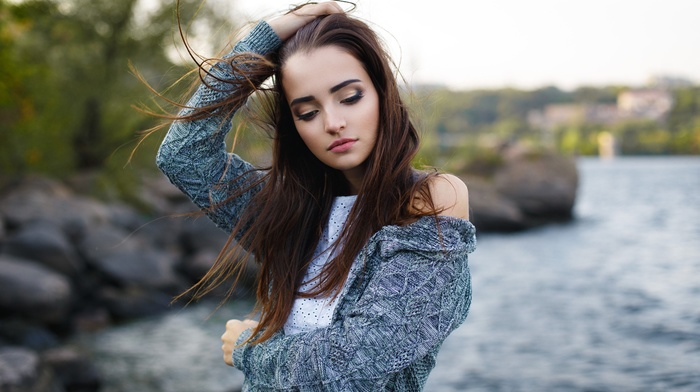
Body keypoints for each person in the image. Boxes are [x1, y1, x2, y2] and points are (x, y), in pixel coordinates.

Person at [156, 1, 476, 390]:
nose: (333, 123)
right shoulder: (285, 213)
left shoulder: (428, 199)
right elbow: (183, 153)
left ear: (381, 91)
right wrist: (267, 37)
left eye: (350, 97)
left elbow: (353, 362)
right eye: (307, 112)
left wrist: (248, 349)